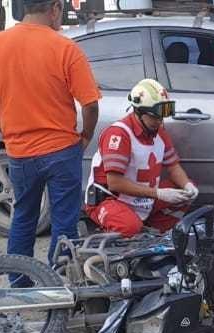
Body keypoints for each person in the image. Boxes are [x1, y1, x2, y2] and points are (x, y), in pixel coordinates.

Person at [0, 0, 100, 265]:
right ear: (54, 8)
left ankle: (20, 286)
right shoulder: (65, 47)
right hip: (62, 150)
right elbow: (89, 104)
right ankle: (59, 284)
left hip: (20, 153)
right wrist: (86, 136)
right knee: (64, 222)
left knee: (23, 219)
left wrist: (7, 131)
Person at [84, 79, 198, 237]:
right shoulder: (119, 134)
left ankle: (152, 235)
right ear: (138, 112)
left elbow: (173, 166)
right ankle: (127, 233)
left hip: (142, 198)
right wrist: (158, 193)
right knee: (129, 227)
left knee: (185, 194)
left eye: (162, 117)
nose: (159, 122)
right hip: (109, 199)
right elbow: (114, 183)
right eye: (155, 117)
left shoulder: (159, 133)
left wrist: (187, 186)